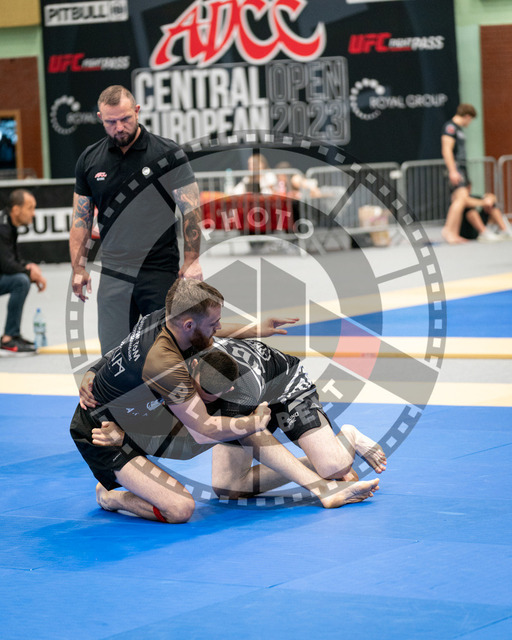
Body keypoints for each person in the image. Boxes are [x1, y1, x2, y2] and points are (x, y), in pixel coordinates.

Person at [70, 85, 203, 355]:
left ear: (137, 111)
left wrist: (192, 260)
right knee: (113, 357)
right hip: (114, 271)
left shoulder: (168, 154)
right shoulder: (89, 160)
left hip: (158, 269)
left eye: (125, 119)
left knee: (170, 353)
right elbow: (80, 220)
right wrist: (78, 268)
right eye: (111, 122)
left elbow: (191, 209)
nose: (119, 127)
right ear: (100, 118)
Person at [0, 189, 46, 355]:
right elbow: (7, 265)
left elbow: (12, 259)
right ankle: (9, 338)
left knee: (22, 278)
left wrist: (29, 266)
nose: (33, 213)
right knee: (21, 281)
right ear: (16, 209)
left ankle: (13, 335)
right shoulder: (2, 227)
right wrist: (29, 273)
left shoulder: (8, 224)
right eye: (30, 208)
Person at [441, 103, 477, 244]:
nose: (470, 122)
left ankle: (454, 233)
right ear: (467, 116)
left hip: (462, 167)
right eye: (471, 119)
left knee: (458, 200)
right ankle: (448, 230)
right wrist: (452, 171)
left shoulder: (458, 129)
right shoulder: (450, 127)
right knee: (461, 199)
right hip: (456, 168)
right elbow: (447, 150)